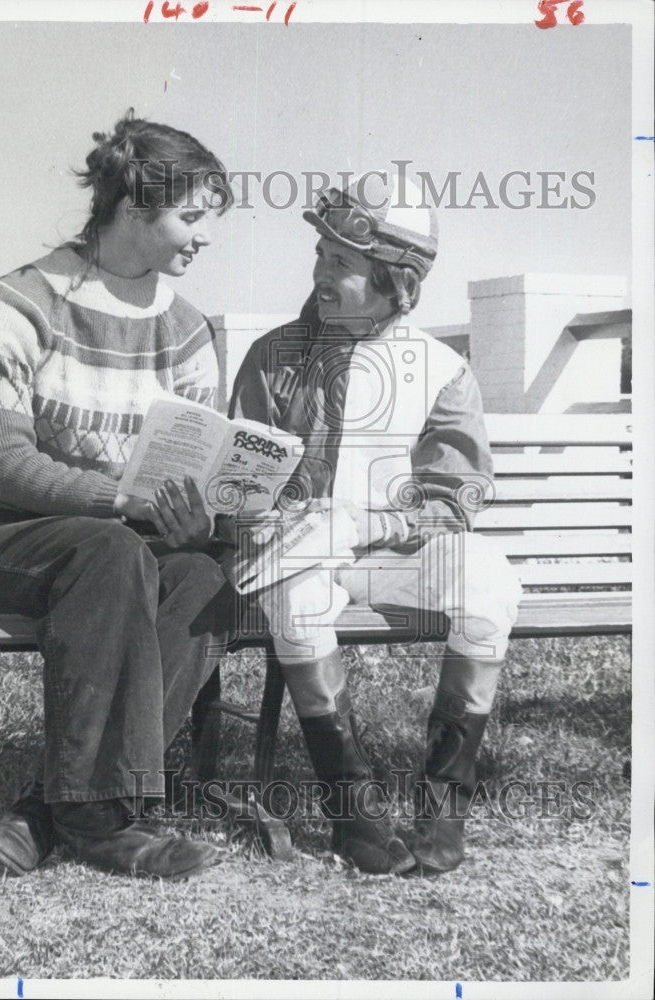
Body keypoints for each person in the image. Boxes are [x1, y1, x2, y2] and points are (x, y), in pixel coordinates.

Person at [0, 110, 235, 880]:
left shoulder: (190, 329)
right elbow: (4, 463)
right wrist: (124, 504)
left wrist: (197, 513)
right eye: (191, 217)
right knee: (111, 548)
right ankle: (102, 824)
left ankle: (57, 806)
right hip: (0, 541)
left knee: (202, 580)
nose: (204, 237)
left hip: (118, 550)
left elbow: (200, 464)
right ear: (135, 206)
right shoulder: (19, 301)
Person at [225, 168, 522, 875]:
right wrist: (260, 513)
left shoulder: (442, 369)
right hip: (298, 560)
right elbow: (236, 482)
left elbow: (457, 498)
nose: (321, 276)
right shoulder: (272, 356)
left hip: (388, 553)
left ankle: (442, 808)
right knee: (297, 601)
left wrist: (367, 522)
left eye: (343, 265)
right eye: (320, 257)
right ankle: (351, 812)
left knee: (489, 581)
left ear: (401, 285)